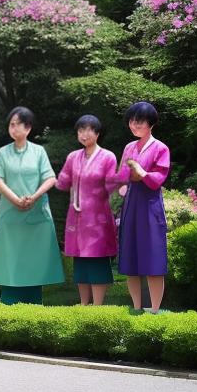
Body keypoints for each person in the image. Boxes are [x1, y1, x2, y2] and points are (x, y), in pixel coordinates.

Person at [0, 106, 64, 305]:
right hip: (11, 216)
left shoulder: (39, 152)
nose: (12, 129)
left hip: (36, 216)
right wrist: (15, 199)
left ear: (28, 127)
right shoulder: (3, 152)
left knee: (34, 264)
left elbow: (50, 178)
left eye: (16, 124)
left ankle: (34, 307)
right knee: (10, 262)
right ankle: (8, 306)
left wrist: (34, 197)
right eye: (10, 125)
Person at [55, 114, 119, 305]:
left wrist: (122, 178)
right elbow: (63, 182)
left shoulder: (108, 157)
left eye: (89, 130)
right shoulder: (73, 157)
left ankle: (98, 305)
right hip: (77, 217)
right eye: (80, 130)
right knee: (80, 261)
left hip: (98, 218)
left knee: (97, 260)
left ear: (97, 133)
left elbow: (111, 185)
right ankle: (83, 303)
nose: (84, 134)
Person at [114, 100, 170, 313]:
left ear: (151, 123)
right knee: (131, 260)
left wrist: (142, 173)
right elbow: (121, 177)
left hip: (150, 205)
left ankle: (155, 310)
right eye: (131, 121)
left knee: (153, 260)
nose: (134, 125)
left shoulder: (160, 148)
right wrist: (119, 185)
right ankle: (136, 307)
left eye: (139, 122)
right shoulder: (129, 147)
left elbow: (159, 178)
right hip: (131, 205)